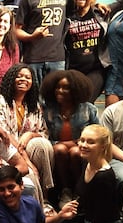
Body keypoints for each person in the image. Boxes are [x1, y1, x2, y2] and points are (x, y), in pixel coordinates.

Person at [0, 63, 54, 205]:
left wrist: (30, 135)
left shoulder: (33, 105)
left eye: (27, 77)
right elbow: (2, 134)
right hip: (6, 153)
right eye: (19, 76)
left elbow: (43, 132)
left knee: (43, 145)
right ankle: (40, 207)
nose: (23, 79)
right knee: (30, 173)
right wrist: (28, 162)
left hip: (27, 149)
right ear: (11, 79)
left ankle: (47, 196)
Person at [39, 69, 98, 207]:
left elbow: (97, 133)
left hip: (83, 149)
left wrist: (79, 143)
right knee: (60, 149)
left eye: (65, 88)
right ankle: (65, 191)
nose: (59, 91)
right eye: (57, 87)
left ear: (75, 90)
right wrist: (71, 143)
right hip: (57, 149)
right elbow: (44, 135)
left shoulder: (88, 109)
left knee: (76, 152)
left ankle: (79, 190)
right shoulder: (49, 110)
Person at [15, 0, 71, 84]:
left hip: (58, 59)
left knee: (57, 99)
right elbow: (16, 30)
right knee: (34, 100)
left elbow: (79, 15)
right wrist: (32, 36)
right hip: (33, 59)